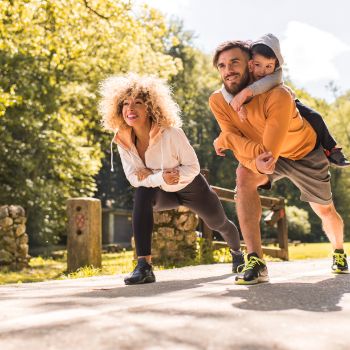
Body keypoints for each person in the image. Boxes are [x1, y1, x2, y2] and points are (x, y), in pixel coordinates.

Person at [209, 40, 349, 285]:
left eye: (234, 62)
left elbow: (265, 153)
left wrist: (227, 139)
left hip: (304, 152)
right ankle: (256, 260)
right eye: (221, 65)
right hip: (269, 155)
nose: (228, 70)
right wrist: (230, 138)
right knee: (243, 175)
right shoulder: (218, 101)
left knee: (324, 209)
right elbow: (245, 149)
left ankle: (339, 250)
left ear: (251, 65)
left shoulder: (278, 95)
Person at [99, 73, 244, 285]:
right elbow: (133, 178)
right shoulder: (123, 140)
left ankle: (237, 252)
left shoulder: (172, 133)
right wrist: (161, 177)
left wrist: (154, 176)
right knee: (141, 193)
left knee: (219, 223)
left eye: (138, 103)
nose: (130, 108)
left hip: (193, 189)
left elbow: (193, 167)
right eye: (126, 104)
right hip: (161, 192)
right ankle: (144, 266)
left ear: (150, 107)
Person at [222, 33, 350, 168]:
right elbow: (225, 88)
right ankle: (259, 172)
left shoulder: (275, 75)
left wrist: (245, 93)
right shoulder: (243, 72)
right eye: (258, 64)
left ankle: (332, 149)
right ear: (250, 61)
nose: (263, 71)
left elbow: (265, 83)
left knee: (315, 117)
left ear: (276, 65)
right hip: (259, 113)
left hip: (286, 104)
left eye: (268, 66)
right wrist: (234, 102)